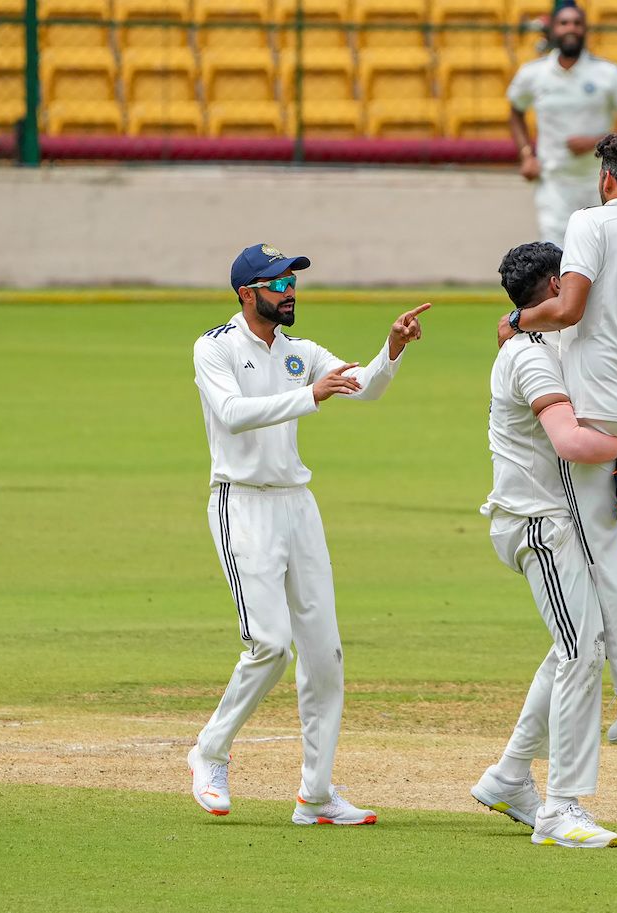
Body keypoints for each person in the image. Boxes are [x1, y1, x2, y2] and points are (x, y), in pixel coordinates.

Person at [187, 243, 430, 826]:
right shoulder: (213, 347)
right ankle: (210, 751)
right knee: (269, 644)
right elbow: (232, 414)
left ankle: (316, 795)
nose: (289, 291)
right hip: (241, 503)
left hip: (299, 506)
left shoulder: (301, 352)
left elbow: (364, 385)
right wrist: (308, 396)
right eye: (277, 283)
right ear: (247, 294)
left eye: (292, 281)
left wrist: (390, 349)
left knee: (324, 655)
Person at [474, 241, 617, 848]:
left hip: (562, 518)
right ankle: (563, 808)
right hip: (539, 526)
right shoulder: (529, 358)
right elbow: (571, 443)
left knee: (572, 648)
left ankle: (507, 777)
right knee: (581, 651)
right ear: (556, 284)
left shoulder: (548, 344)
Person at [497, 131, 617, 744]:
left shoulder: (590, 222)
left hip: (594, 405)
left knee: (599, 557)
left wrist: (517, 321)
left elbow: (569, 307)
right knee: (605, 555)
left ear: (607, 179)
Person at [507, 1, 617, 247]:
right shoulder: (533, 73)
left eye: (577, 23)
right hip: (553, 181)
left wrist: (596, 142)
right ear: (552, 30)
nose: (571, 28)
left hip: (602, 181)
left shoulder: (608, 73)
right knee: (555, 252)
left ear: (585, 30)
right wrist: (527, 155)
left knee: (602, 250)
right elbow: (515, 112)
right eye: (564, 23)